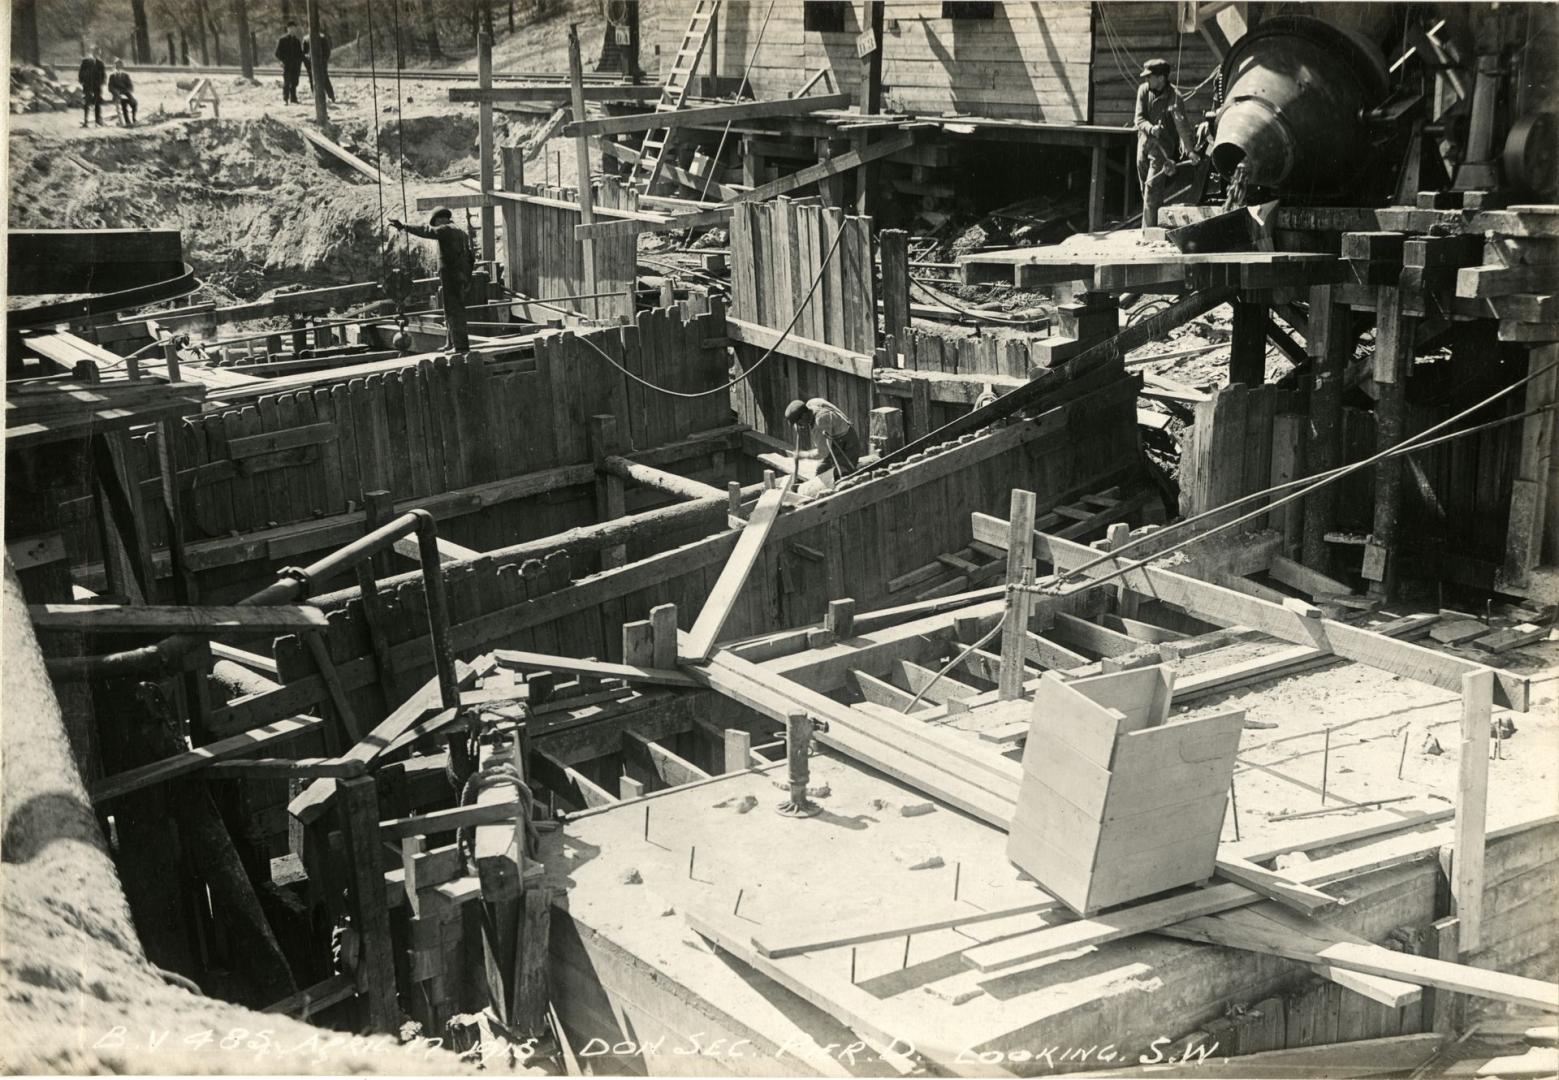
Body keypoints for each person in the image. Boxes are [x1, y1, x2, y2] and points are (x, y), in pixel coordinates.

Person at [389, 208, 475, 353]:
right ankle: (451, 343)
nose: (435, 226)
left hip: (452, 276)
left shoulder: (446, 229)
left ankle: (460, 347)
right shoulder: (461, 232)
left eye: (435, 223)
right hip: (459, 276)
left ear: (440, 220)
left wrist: (404, 226)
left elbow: (426, 230)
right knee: (450, 310)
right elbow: (471, 258)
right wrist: (466, 276)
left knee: (454, 311)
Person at [1133, 58, 1199, 229]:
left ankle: (1148, 232)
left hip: (1161, 150)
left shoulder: (1174, 97)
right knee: (1145, 188)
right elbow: (1138, 119)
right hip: (1143, 145)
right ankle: (1156, 226)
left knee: (1151, 188)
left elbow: (1182, 126)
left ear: (1161, 78)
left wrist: (1190, 151)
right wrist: (1150, 128)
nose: (1146, 80)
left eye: (1149, 77)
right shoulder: (1143, 91)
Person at [785, 397, 862, 478]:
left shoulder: (820, 423)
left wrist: (803, 455)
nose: (800, 426)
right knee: (820, 471)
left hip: (848, 446)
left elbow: (823, 452)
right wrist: (799, 424)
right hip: (836, 440)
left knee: (839, 476)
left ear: (804, 416)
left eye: (799, 423)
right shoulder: (812, 403)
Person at [303, 27, 336, 103]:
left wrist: (324, 61)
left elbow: (327, 51)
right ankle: (316, 97)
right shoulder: (306, 39)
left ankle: (331, 96)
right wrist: (307, 62)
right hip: (310, 63)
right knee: (312, 80)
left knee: (325, 79)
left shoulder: (322, 37)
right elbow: (304, 52)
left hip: (321, 62)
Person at [275, 22, 305, 105]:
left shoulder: (297, 41)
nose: (292, 30)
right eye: (290, 28)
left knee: (295, 82)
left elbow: (300, 53)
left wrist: (300, 61)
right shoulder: (282, 40)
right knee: (287, 82)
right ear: (287, 29)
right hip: (287, 64)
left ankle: (293, 99)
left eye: (294, 28)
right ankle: (286, 99)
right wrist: (282, 61)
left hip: (296, 65)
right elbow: (277, 53)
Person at [78, 47, 106, 128]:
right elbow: (81, 72)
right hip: (87, 86)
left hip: (97, 86)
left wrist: (101, 83)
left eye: (98, 53)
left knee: (97, 103)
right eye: (95, 52)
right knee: (87, 103)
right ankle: (85, 121)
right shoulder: (85, 61)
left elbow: (103, 75)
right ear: (92, 52)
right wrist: (82, 81)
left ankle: (97, 121)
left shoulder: (100, 63)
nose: (96, 54)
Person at [107, 60, 137, 126]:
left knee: (134, 102)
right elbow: (110, 87)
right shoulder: (112, 76)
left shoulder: (126, 76)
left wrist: (127, 92)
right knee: (123, 104)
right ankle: (127, 121)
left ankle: (134, 118)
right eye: (117, 67)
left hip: (125, 93)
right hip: (117, 94)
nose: (118, 69)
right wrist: (117, 93)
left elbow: (130, 86)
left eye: (120, 67)